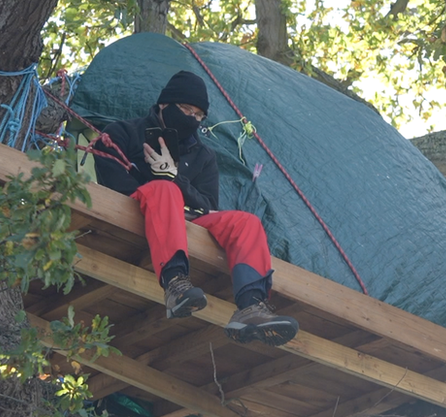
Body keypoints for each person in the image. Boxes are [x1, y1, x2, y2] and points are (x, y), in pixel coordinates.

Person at [93, 70, 298, 346]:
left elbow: (209, 206)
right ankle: (176, 284)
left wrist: (175, 177)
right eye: (186, 110)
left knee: (246, 222)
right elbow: (113, 185)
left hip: (188, 220)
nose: (192, 119)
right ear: (164, 104)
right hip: (141, 209)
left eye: (199, 115)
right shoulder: (123, 132)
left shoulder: (204, 155)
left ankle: (251, 307)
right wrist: (159, 182)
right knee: (164, 190)